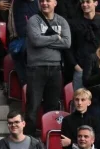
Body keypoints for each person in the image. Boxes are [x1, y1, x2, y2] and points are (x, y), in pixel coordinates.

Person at [24, 0, 71, 135]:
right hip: (35, 68)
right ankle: (30, 140)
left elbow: (67, 43)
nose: (44, 3)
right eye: (42, 1)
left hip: (55, 68)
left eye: (48, 1)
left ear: (55, 3)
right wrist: (57, 37)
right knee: (33, 105)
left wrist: (46, 39)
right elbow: (36, 41)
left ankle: (49, 140)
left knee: (52, 106)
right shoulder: (34, 20)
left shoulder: (61, 21)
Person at [67, 0, 100, 91]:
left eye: (88, 2)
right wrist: (76, 66)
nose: (84, 5)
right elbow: (69, 47)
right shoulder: (74, 24)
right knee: (80, 101)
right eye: (82, 2)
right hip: (81, 68)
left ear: (96, 3)